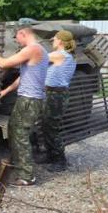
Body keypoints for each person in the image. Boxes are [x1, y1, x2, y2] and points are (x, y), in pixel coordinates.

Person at [0, 27, 48, 186]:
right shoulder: (40, 50)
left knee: (20, 133)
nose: (16, 41)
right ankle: (17, 161)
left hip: (29, 99)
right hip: (28, 98)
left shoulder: (32, 49)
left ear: (24, 34)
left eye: (17, 37)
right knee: (13, 128)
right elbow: (23, 77)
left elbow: (3, 64)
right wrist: (6, 90)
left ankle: (27, 176)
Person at [36, 30, 76, 172]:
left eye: (54, 39)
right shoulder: (64, 56)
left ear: (60, 41)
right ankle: (49, 154)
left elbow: (39, 58)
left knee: (52, 128)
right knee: (44, 126)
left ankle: (60, 160)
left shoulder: (60, 55)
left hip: (56, 96)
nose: (52, 41)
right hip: (52, 94)